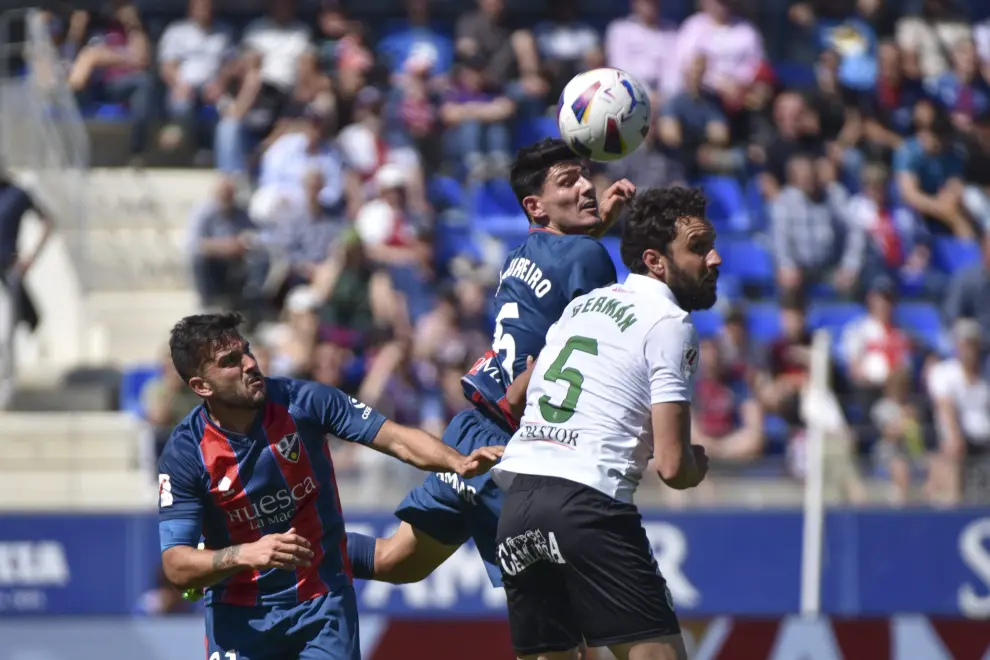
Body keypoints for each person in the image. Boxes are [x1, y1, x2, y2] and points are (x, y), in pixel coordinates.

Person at [343, 138, 635, 587]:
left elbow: (560, 266)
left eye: (583, 176)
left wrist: (597, 226)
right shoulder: (587, 256)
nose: (587, 187)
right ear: (536, 206)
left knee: (394, 561)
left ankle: (281, 549)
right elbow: (579, 331)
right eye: (568, 181)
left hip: (469, 432)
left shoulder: (518, 255)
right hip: (520, 446)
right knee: (569, 611)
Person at [157, 312, 502, 660]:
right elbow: (176, 566)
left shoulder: (302, 401)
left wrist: (457, 461)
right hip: (240, 619)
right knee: (392, 561)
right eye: (230, 361)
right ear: (202, 386)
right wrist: (245, 554)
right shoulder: (186, 454)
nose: (249, 363)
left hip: (322, 604)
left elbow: (395, 439)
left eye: (246, 351)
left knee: (398, 561)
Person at [492, 186, 719, 660]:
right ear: (655, 261)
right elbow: (673, 470)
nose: (714, 258)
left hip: (517, 507)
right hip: (587, 506)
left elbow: (511, 399)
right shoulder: (668, 322)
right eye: (698, 247)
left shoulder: (579, 307)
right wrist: (699, 463)